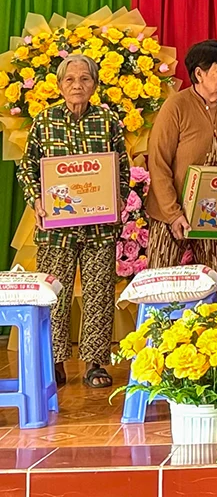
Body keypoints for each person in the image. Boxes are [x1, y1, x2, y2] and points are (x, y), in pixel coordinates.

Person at [17, 54, 130, 389]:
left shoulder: (107, 121)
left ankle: (95, 364)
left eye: (85, 79)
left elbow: (122, 167)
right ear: (59, 85)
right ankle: (54, 362)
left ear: (95, 85)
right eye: (70, 79)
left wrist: (119, 196)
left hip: (99, 227)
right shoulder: (45, 120)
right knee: (55, 295)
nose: (77, 85)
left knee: (99, 293)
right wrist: (37, 199)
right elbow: (27, 167)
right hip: (56, 229)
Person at [147, 39, 217, 295]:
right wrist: (173, 214)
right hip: (172, 214)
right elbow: (159, 163)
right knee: (162, 288)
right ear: (199, 73)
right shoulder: (176, 106)